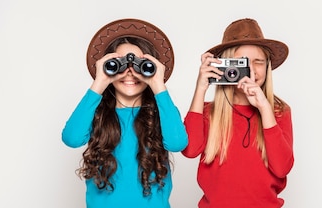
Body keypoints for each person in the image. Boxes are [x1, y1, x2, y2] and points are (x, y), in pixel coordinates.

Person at [62, 18, 188, 208]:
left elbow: (177, 143)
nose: (130, 72)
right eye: (119, 64)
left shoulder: (162, 111)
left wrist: (158, 85)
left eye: (140, 65)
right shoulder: (97, 112)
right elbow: (71, 138)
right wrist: (99, 82)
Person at [182, 18, 294, 207]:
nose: (250, 70)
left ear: (267, 67)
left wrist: (265, 109)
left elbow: (282, 167)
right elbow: (190, 150)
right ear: (225, 66)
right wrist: (200, 88)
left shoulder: (278, 111)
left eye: (258, 62)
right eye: (241, 62)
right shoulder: (209, 112)